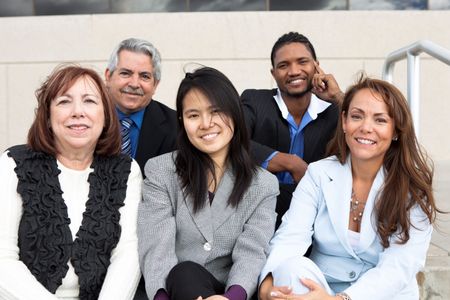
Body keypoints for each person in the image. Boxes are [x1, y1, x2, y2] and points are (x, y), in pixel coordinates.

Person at [259, 76, 440, 300]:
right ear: (344, 121)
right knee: (290, 269)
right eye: (357, 116)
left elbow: (399, 266)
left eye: (380, 120)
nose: (366, 128)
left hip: (382, 294)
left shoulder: (413, 186)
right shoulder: (319, 174)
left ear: (395, 130)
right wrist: (266, 285)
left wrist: (341, 299)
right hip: (320, 288)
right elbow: (290, 238)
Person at [0, 65, 142, 299]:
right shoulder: (13, 164)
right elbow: (3, 259)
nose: (78, 111)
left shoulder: (125, 170)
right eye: (64, 101)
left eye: (89, 101)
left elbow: (128, 253)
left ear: (105, 114)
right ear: (47, 116)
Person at [138, 67, 279, 300]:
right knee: (185, 273)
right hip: (173, 290)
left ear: (234, 113)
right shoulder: (161, 171)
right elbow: (156, 249)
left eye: (215, 111)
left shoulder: (263, 184)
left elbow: (252, 253)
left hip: (229, 293)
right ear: (182, 121)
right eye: (194, 115)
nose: (206, 123)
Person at [241, 32, 344, 226]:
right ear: (273, 73)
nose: (294, 71)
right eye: (283, 65)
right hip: (258, 215)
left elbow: (369, 133)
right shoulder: (255, 101)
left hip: (317, 218)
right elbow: (232, 140)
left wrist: (338, 96)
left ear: (316, 66)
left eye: (302, 62)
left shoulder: (335, 112)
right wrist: (290, 163)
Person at [105, 37, 177, 175]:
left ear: (155, 84)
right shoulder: (85, 120)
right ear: (108, 76)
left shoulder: (177, 127)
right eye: (125, 73)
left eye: (144, 76)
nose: (134, 84)